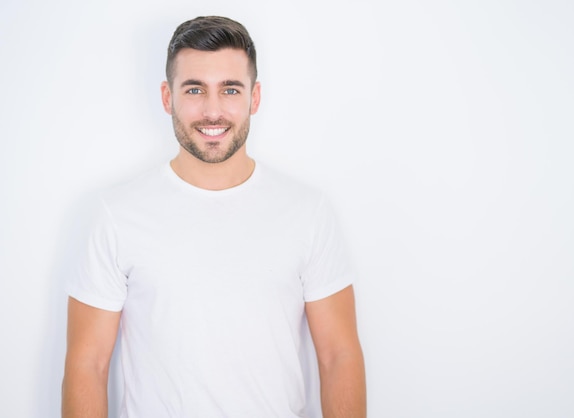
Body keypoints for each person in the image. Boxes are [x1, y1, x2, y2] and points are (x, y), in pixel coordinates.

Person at [61, 16, 366, 418]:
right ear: (167, 97)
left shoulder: (308, 212)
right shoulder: (117, 214)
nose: (212, 111)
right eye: (194, 89)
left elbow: (338, 356)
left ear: (254, 98)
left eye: (230, 89)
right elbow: (88, 364)